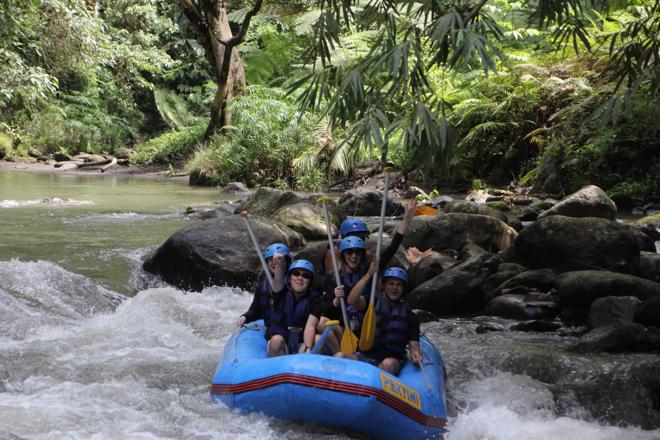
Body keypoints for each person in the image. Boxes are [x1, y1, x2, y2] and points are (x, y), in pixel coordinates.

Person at [320, 199, 418, 353]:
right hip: (342, 325)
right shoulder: (334, 274)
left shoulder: (368, 267)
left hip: (365, 325)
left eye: (358, 251)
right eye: (350, 251)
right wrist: (336, 301)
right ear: (343, 251)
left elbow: (392, 248)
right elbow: (326, 310)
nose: (354, 255)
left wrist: (406, 220)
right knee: (322, 322)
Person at [340, 266, 422, 375]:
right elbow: (352, 300)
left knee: (388, 363)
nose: (394, 288)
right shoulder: (371, 303)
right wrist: (369, 274)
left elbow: (414, 346)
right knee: (339, 356)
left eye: (399, 285)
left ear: (403, 288)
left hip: (392, 361)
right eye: (391, 283)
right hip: (365, 356)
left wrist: (416, 354)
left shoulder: (410, 316)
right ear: (384, 285)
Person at [266, 259, 323, 357]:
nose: (300, 278)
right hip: (282, 344)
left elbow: (310, 326)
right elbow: (278, 279)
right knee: (277, 340)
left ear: (310, 282)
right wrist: (279, 266)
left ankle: (308, 368)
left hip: (302, 343)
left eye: (306, 276)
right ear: (289, 278)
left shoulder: (315, 299)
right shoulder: (280, 292)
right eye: (296, 274)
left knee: (318, 339)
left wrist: (308, 348)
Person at [235, 243, 291, 328]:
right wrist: (245, 316)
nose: (274, 262)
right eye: (270, 259)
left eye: (279, 259)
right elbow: (254, 310)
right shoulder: (262, 285)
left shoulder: (294, 282)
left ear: (287, 262)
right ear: (267, 263)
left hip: (287, 325)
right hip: (268, 325)